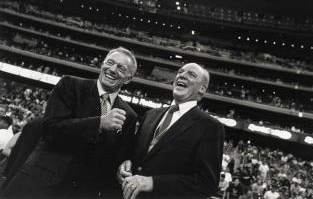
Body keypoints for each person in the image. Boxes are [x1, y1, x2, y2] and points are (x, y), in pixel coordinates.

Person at [1, 47, 138, 198]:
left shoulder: (129, 115)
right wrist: (98, 123)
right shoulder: (70, 85)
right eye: (110, 62)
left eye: (121, 68)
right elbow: (50, 129)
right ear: (102, 64)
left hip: (79, 192)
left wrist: (124, 164)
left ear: (128, 78)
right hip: (37, 183)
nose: (112, 69)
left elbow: (117, 158)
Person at [117, 63, 225, 199]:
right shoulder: (150, 115)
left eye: (191, 74)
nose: (182, 75)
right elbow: (134, 155)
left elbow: (206, 183)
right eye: (180, 72)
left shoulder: (210, 127)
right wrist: (125, 163)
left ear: (202, 89)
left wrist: (153, 183)